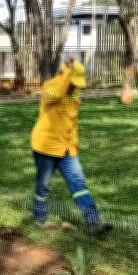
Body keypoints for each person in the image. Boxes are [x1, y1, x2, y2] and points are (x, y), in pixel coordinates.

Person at [31, 59, 112, 238]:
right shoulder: (50, 87)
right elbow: (55, 95)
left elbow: (71, 122)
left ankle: (93, 222)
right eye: (73, 82)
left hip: (66, 148)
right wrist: (67, 73)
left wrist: (74, 145)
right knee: (43, 185)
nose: (76, 87)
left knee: (79, 183)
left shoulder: (74, 94)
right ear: (64, 76)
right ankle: (40, 218)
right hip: (45, 146)